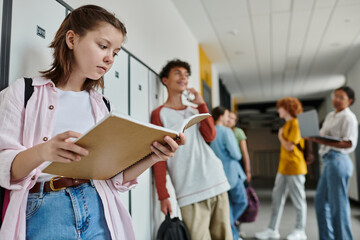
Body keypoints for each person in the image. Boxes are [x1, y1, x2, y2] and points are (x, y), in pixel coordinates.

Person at [0, 5, 185, 239]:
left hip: (97, 205)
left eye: (115, 52)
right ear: (71, 39)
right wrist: (45, 151)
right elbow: (4, 166)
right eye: (103, 46)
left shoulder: (104, 106)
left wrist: (154, 156)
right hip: (45, 208)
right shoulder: (25, 92)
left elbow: (116, 177)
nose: (109, 58)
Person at [151, 59, 232, 240]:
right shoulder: (159, 114)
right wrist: (163, 195)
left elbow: (211, 136)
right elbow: (159, 157)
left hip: (215, 180)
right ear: (165, 80)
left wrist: (202, 103)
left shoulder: (195, 111)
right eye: (178, 73)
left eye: (186, 75)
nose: (184, 77)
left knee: (224, 236)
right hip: (189, 189)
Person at [255, 97, 307, 240]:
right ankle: (272, 229)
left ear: (288, 108)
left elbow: (289, 146)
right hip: (283, 168)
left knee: (298, 200)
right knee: (277, 199)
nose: (278, 110)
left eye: (280, 108)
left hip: (295, 167)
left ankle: (300, 230)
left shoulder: (296, 123)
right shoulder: (287, 124)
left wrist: (280, 136)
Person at [309, 86, 357, 240]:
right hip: (328, 162)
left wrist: (320, 139)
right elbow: (322, 135)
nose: (336, 100)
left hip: (339, 161)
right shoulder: (330, 115)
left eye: (341, 97)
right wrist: (313, 137)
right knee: (320, 203)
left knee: (338, 207)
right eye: (335, 96)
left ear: (350, 101)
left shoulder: (348, 117)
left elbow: (348, 143)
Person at [210, 106, 248, 240]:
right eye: (227, 116)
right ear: (221, 117)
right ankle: (230, 226)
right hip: (232, 173)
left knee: (227, 206)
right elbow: (237, 155)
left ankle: (232, 232)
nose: (228, 119)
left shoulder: (210, 132)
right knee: (242, 201)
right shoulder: (226, 132)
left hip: (219, 174)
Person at [226, 111, 252, 183]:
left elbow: (244, 152)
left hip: (238, 162)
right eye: (228, 117)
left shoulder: (238, 132)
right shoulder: (221, 131)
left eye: (232, 118)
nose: (229, 120)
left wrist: (248, 171)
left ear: (235, 122)